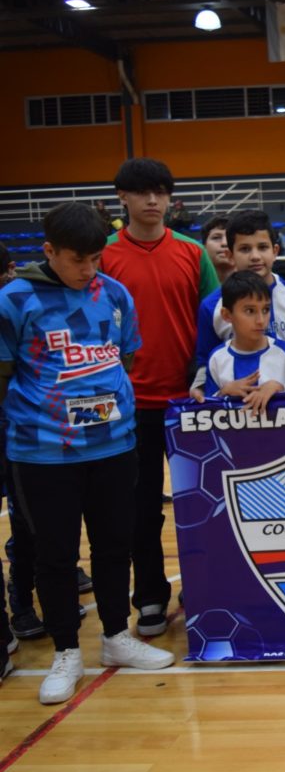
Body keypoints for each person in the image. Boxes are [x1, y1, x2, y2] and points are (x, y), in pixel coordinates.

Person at [1, 202, 175, 705]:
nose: (88, 270)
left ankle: (117, 637)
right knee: (54, 555)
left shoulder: (114, 293)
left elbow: (125, 356)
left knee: (114, 545)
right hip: (42, 454)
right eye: (77, 260)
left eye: (96, 259)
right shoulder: (13, 300)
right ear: (49, 250)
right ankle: (65, 651)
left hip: (114, 446)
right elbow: (5, 374)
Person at [100, 158, 219, 637]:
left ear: (171, 199)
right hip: (130, 405)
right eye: (143, 192)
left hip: (189, 401)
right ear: (122, 198)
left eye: (161, 192)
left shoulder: (192, 252)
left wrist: (205, 379)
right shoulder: (104, 255)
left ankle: (207, 586)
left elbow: (214, 320)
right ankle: (149, 596)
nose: (153, 201)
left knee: (206, 502)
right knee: (141, 507)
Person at [193, 210, 285, 388]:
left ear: (275, 251)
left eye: (262, 247)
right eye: (244, 249)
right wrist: (199, 387)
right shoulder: (212, 306)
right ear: (230, 255)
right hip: (238, 409)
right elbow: (206, 361)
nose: (255, 256)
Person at [200, 271, 285, 405]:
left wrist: (280, 388)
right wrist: (222, 393)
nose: (261, 320)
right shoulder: (216, 359)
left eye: (265, 310)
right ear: (227, 315)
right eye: (250, 311)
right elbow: (205, 410)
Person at [199, 215, 234, 284]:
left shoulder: (257, 286)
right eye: (216, 238)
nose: (224, 243)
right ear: (204, 246)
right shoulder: (192, 284)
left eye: (230, 238)